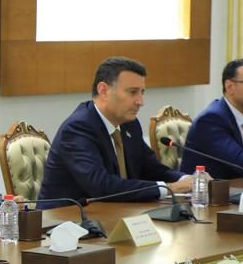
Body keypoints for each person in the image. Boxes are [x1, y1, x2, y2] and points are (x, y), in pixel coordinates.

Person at [38, 56, 194, 204]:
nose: (141, 102)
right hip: (65, 218)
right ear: (103, 91)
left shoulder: (129, 124)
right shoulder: (78, 129)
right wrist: (171, 188)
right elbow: (102, 186)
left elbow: (151, 168)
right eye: (132, 92)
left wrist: (186, 180)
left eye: (142, 92)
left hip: (114, 213)